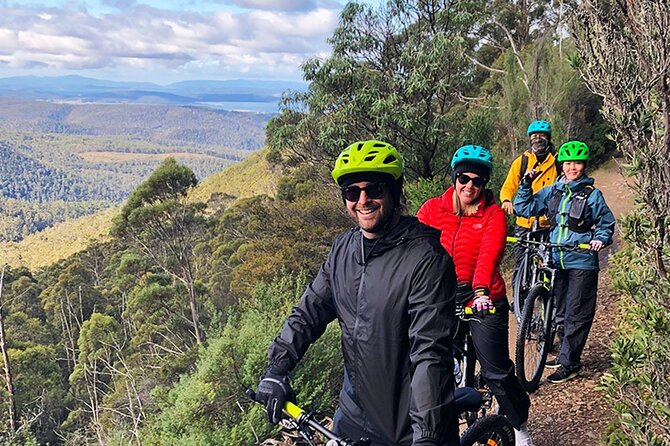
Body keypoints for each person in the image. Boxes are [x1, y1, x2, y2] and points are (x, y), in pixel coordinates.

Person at [255, 140, 460, 445]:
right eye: (352, 192)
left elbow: (429, 354)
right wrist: (277, 367)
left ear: (394, 191)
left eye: (374, 189)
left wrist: (427, 434)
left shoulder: (426, 259)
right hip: (352, 415)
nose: (363, 200)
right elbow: (309, 312)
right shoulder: (343, 249)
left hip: (409, 426)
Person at [417, 145, 534, 446]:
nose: (470, 185)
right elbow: (416, 250)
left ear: (485, 184)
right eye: (464, 178)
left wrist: (480, 290)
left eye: (477, 181)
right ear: (454, 177)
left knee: (496, 372)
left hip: (483, 298)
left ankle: (519, 426)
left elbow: (489, 254)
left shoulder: (493, 214)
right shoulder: (432, 209)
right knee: (431, 363)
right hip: (442, 297)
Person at [513, 140, 615, 384]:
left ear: (584, 165)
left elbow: (606, 223)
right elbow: (523, 207)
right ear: (562, 165)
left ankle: (570, 363)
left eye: (577, 163)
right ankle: (565, 354)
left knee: (577, 313)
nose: (572, 168)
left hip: (582, 261)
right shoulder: (554, 190)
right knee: (560, 310)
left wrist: (600, 239)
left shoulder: (592, 195)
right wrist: (526, 184)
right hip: (556, 257)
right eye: (568, 163)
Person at [500, 120, 558, 311]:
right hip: (524, 222)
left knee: (550, 261)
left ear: (548, 138)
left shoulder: (557, 161)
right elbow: (509, 185)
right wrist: (507, 200)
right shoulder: (522, 161)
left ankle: (548, 300)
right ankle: (518, 298)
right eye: (534, 136)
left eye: (541, 136)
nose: (537, 139)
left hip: (548, 223)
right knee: (521, 260)